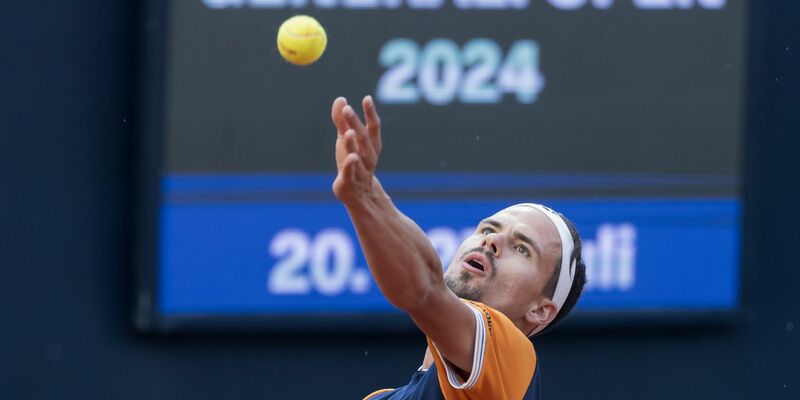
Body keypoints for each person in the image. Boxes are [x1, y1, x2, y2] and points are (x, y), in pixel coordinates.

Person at [330, 95, 587, 400]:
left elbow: (424, 289)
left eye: (522, 249)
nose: (491, 241)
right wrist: (367, 191)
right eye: (488, 229)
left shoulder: (511, 360)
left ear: (540, 310)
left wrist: (364, 200)